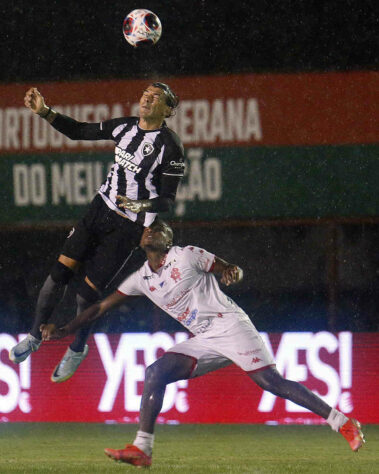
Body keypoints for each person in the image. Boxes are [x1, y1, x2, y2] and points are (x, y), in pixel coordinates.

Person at [41, 220, 365, 467]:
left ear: (168, 240)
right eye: (148, 229)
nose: (151, 231)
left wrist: (231, 273)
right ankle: (143, 449)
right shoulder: (142, 277)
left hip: (230, 324)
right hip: (205, 338)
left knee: (271, 382)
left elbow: (227, 268)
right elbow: (99, 307)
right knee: (155, 372)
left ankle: (342, 422)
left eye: (159, 228)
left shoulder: (186, 256)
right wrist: (66, 329)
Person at [9, 83, 185, 383]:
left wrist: (139, 203)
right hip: (99, 209)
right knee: (58, 275)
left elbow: (167, 200)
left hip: (130, 225)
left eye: (157, 97)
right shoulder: (124, 127)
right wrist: (45, 112)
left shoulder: (170, 146)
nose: (147, 97)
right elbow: (79, 131)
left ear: (168, 110)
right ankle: (33, 337)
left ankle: (77, 349)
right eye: (145, 92)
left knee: (87, 294)